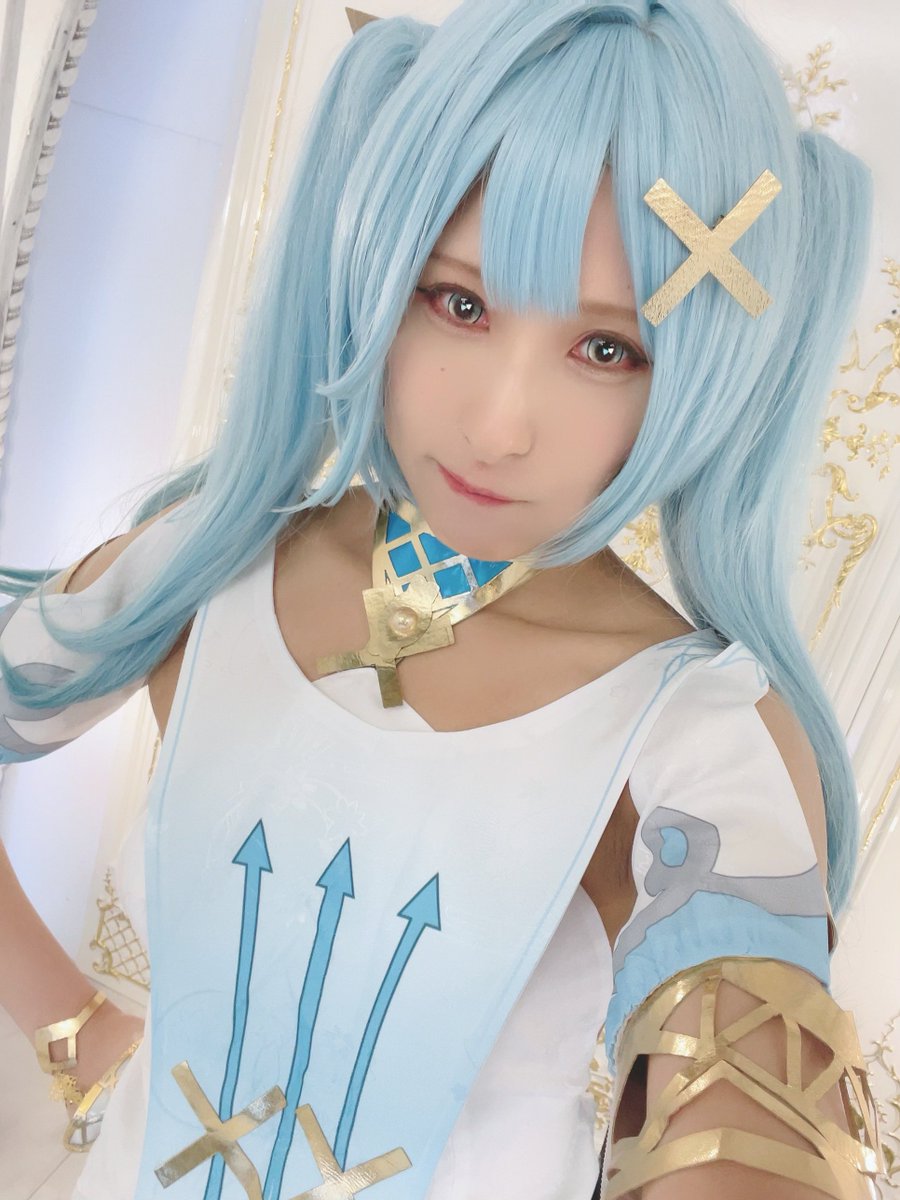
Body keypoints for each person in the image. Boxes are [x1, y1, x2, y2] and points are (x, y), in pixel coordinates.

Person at [0, 1, 886, 1197]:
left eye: (608, 349)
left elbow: (746, 1129)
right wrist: (76, 1032)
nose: (499, 425)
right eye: (461, 302)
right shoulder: (205, 565)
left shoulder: (702, 734)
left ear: (696, 375)